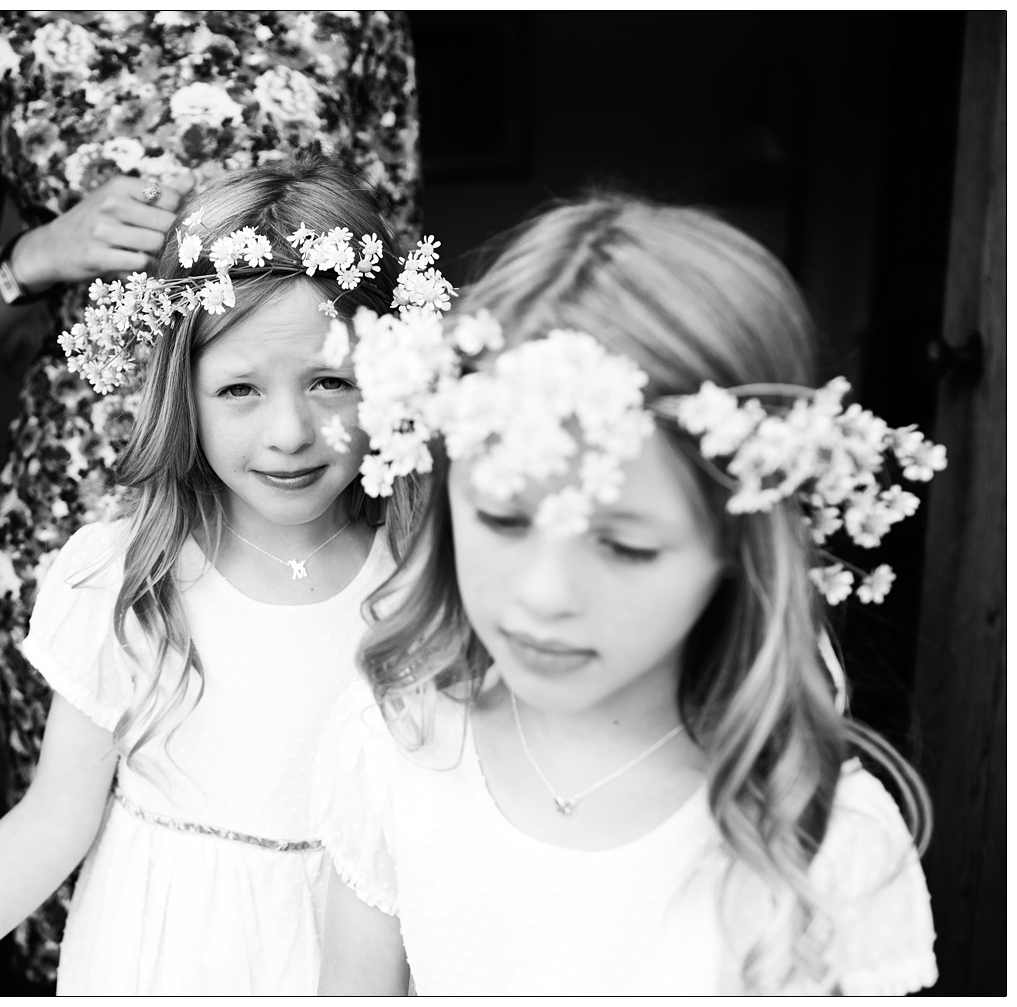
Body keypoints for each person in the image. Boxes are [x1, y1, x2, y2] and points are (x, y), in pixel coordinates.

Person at [0, 152, 449, 995]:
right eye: (239, 388)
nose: (289, 432)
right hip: (163, 954)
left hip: (355, 963)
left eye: (329, 380)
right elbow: (55, 819)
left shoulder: (425, 579)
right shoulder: (133, 575)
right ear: (183, 394)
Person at [312, 193, 944, 995]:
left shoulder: (828, 843)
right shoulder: (397, 744)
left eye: (625, 544)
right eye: (505, 516)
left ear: (738, 543)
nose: (544, 594)